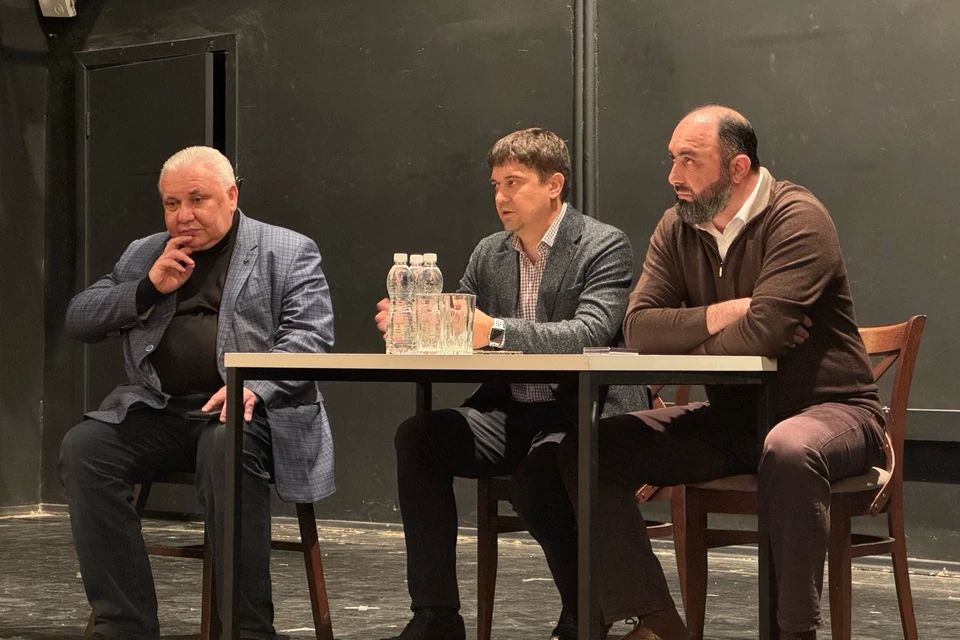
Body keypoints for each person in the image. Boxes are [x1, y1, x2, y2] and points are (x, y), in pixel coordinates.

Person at [555, 105, 885, 640]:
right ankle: (660, 625)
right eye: (672, 159)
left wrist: (696, 339)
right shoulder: (677, 225)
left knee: (790, 448)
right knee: (586, 450)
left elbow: (768, 333)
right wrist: (731, 312)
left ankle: (795, 633)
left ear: (737, 167)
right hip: (735, 420)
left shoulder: (797, 218)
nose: (673, 175)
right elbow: (638, 328)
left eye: (689, 160)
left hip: (831, 411)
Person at [373, 128, 648, 640]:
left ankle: (585, 614)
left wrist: (494, 331)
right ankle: (436, 617)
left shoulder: (602, 245)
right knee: (419, 436)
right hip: (512, 411)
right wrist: (418, 323)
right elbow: (460, 327)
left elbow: (588, 333)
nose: (501, 196)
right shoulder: (490, 253)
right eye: (496, 185)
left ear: (553, 185)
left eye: (514, 183)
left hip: (580, 413)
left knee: (539, 475)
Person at [58, 146, 336, 640]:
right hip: (160, 409)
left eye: (197, 199)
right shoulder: (145, 253)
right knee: (84, 449)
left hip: (252, 414)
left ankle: (246, 629)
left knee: (224, 447)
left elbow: (310, 336)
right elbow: (79, 318)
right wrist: (147, 288)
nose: (182, 215)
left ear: (231, 196)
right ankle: (124, 625)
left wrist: (253, 387)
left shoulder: (287, 249)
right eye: (171, 204)